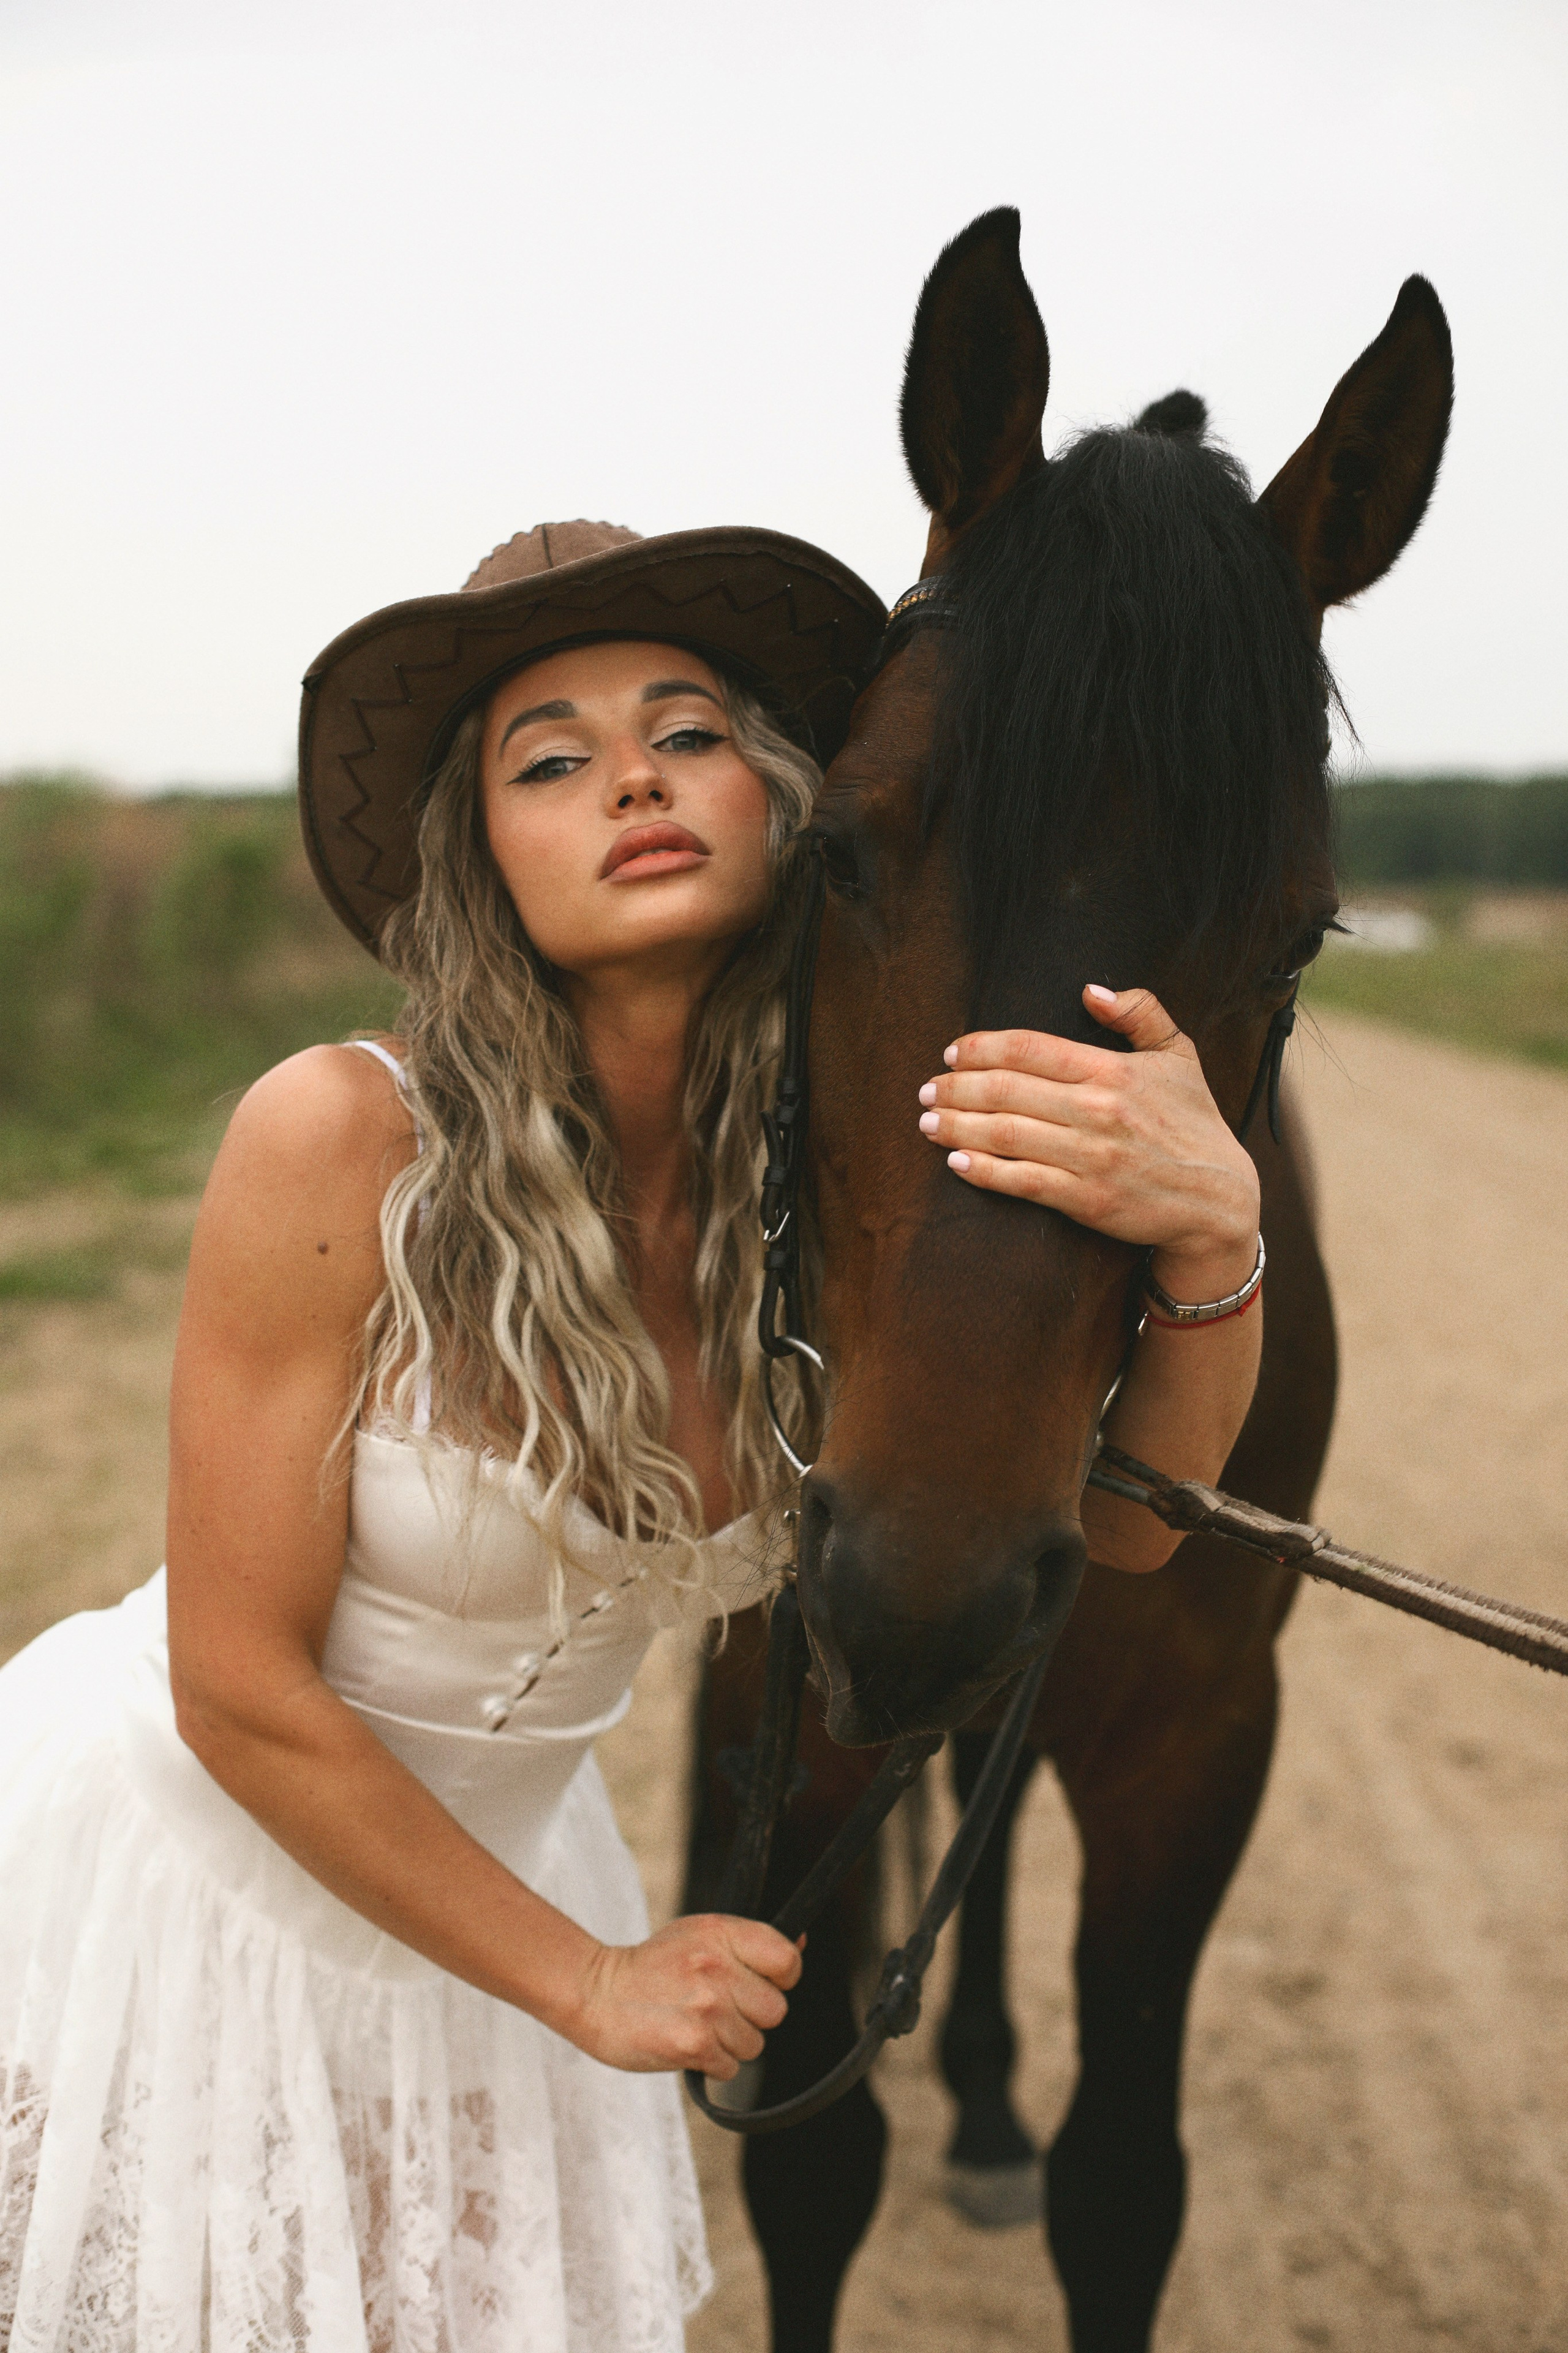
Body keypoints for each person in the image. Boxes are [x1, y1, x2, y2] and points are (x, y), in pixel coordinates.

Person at [0, 518, 1264, 2351]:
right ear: (481, 850)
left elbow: (1138, 1528)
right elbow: (242, 1686)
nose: (634, 784)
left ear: (779, 798)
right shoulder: (344, 1140)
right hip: (194, 1891)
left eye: (687, 731)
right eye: (552, 759)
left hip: (497, 1909)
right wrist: (586, 1982)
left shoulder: (847, 1189)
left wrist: (1217, 1240)